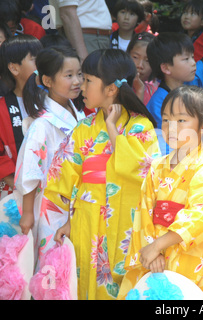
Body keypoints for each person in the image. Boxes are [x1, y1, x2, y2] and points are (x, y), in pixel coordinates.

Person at [47, 49, 160, 300]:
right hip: (85, 219)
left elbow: (145, 173)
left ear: (110, 89)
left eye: (87, 80)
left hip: (123, 220)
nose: (81, 85)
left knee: (117, 286)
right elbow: (68, 176)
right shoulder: (84, 127)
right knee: (84, 284)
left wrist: (111, 128)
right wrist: (68, 220)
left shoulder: (140, 125)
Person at [117, 86, 203, 300]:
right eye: (166, 120)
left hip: (191, 260)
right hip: (154, 260)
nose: (171, 127)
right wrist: (153, 252)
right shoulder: (157, 167)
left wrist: (158, 245)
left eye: (181, 121)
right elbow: (144, 214)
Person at [13, 46, 86, 271]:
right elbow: (31, 171)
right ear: (47, 80)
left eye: (80, 74)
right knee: (53, 268)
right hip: (51, 205)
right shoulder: (43, 123)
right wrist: (27, 213)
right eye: (69, 75)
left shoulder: (81, 114)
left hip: (79, 202)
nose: (77, 81)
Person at [0, 35, 43, 200]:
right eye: (35, 60)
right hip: (15, 193)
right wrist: (18, 186)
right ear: (14, 68)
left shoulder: (54, 102)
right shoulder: (2, 108)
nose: (43, 65)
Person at [146, 32, 196, 155]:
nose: (193, 62)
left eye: (193, 57)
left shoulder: (190, 92)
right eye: (186, 59)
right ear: (166, 68)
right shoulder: (159, 102)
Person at [127, 32, 158, 105]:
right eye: (135, 57)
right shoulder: (116, 88)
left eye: (147, 60)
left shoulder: (154, 93)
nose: (140, 65)